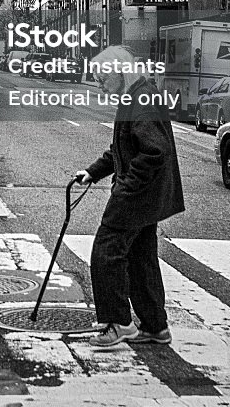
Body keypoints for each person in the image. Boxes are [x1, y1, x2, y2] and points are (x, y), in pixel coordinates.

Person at [75, 46, 184, 350]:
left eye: (101, 79)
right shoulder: (136, 94)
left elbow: (154, 151)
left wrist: (125, 188)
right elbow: (124, 148)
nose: (99, 85)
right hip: (146, 197)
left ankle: (119, 322)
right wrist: (92, 172)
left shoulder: (141, 99)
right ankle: (155, 327)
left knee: (106, 252)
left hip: (137, 197)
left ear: (118, 72)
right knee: (141, 260)